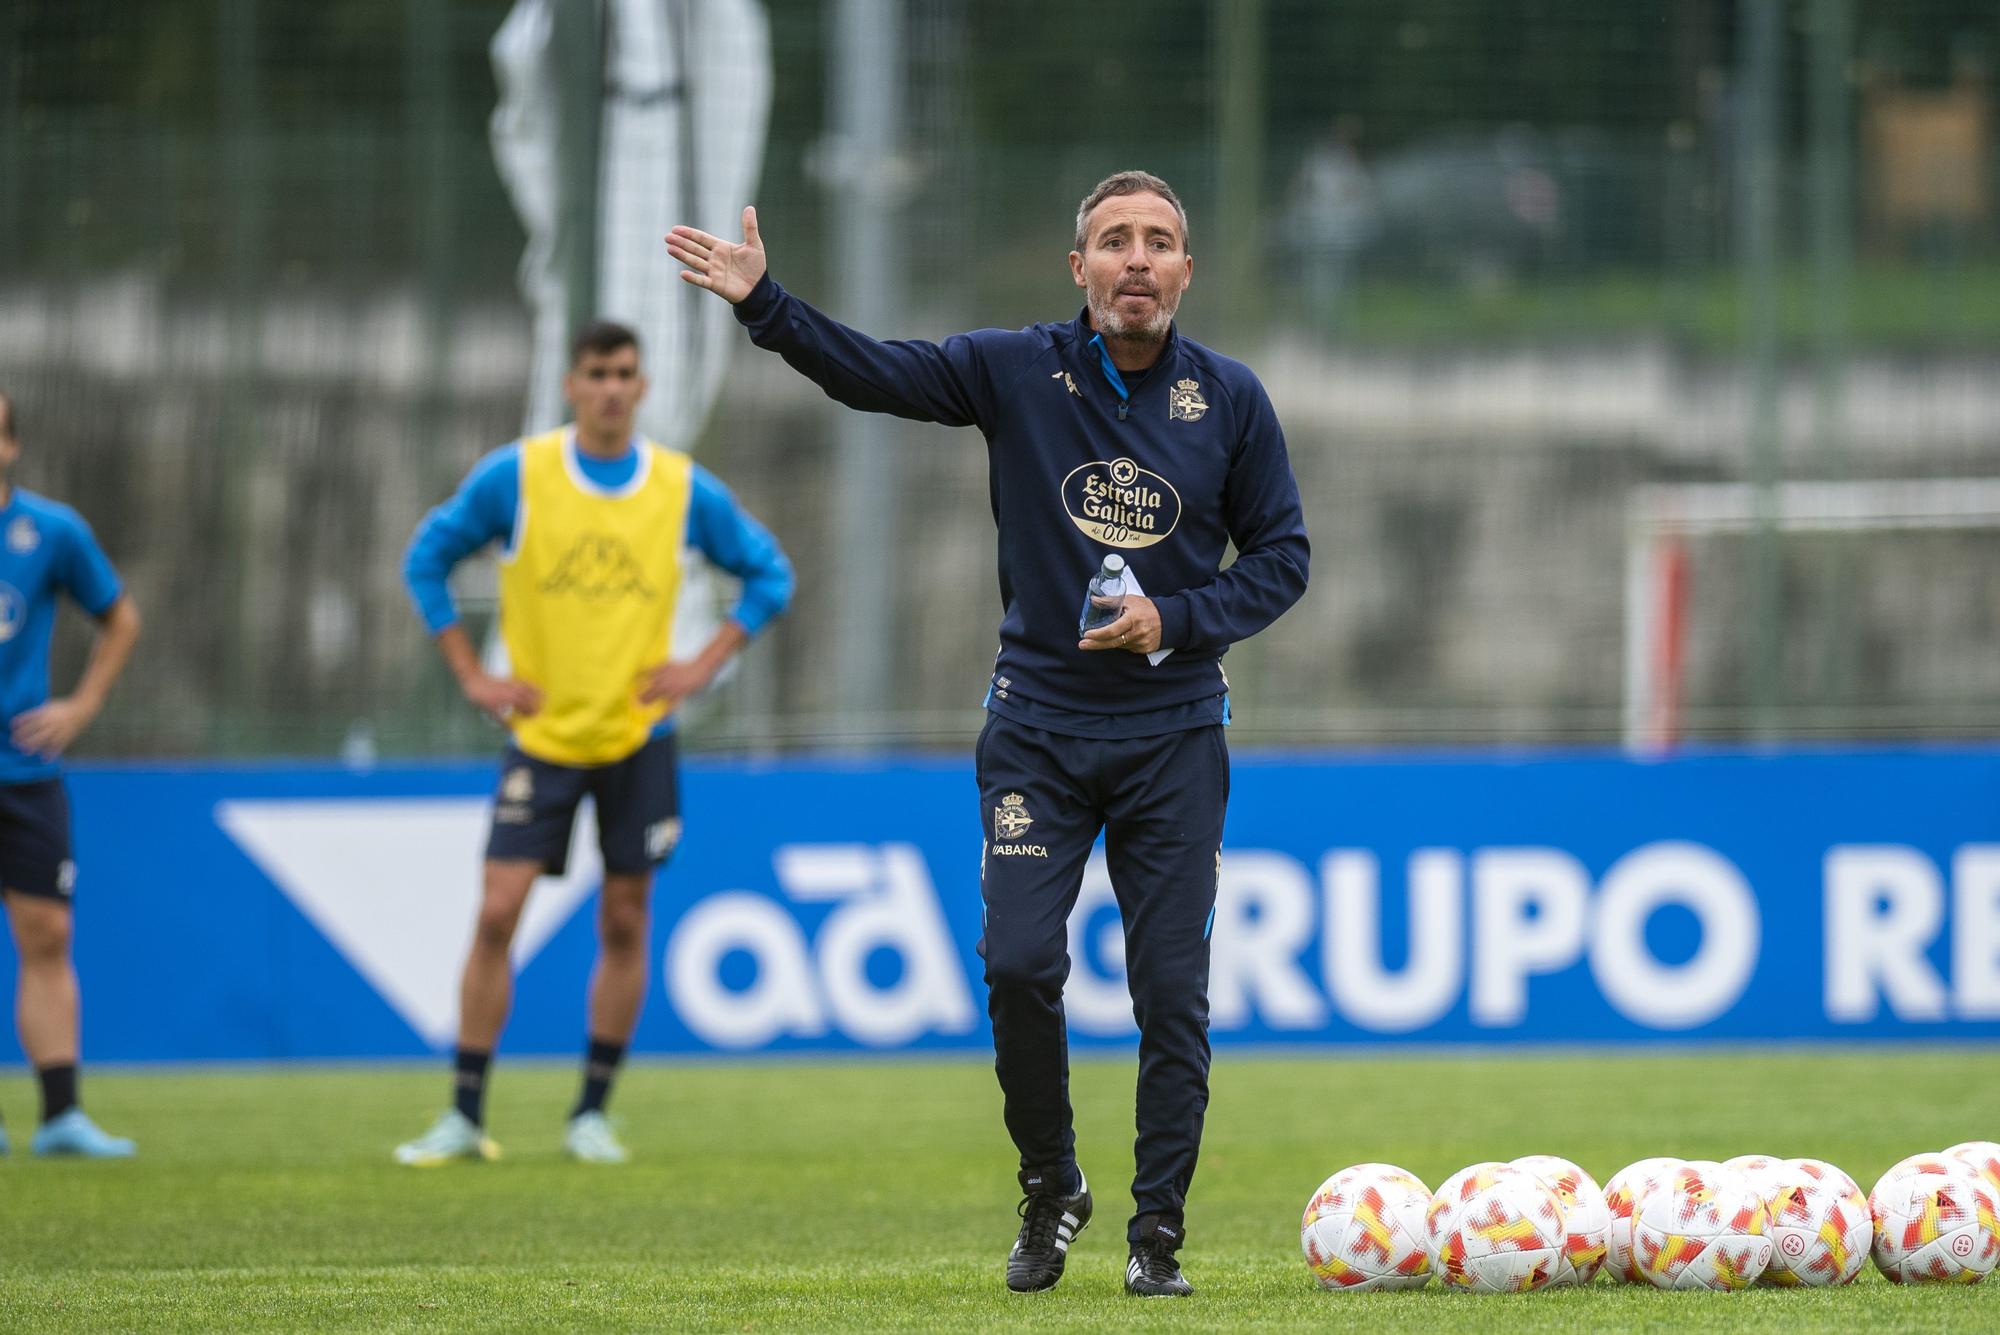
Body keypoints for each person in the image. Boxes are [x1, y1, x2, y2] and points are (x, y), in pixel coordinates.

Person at [668, 171, 1309, 1296]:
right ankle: (1051, 1188)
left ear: (1185, 271)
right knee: (1017, 964)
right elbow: (875, 373)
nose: (1137, 261)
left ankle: (1155, 1238)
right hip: (1037, 735)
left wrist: (1175, 619)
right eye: (1114, 240)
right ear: (1080, 269)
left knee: (1170, 992)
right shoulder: (1018, 369)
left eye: (1159, 242)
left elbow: (1282, 560)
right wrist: (766, 305)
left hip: (1171, 738)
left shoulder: (1232, 400)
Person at [394, 320, 793, 1166]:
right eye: (596, 373)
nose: (611, 387)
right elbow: (426, 558)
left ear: (642, 388)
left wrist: (703, 664)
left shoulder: (680, 488)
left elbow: (771, 574)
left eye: (624, 373)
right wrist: (473, 675)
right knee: (498, 910)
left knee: (625, 916)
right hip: (542, 737)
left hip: (638, 737)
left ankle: (591, 1112)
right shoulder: (520, 476)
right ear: (571, 385)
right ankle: (465, 1111)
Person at [0, 390, 143, 1159]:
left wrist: (81, 706)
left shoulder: (50, 531)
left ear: (10, 445)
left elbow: (121, 615)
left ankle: (60, 1114)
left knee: (48, 932)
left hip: (25, 766)